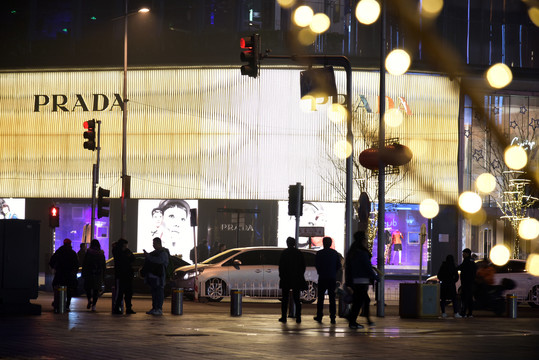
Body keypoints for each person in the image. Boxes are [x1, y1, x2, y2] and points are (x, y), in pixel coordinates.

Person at [345, 231, 377, 329]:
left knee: (362, 300)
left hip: (355, 280)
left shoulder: (353, 251)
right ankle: (352, 321)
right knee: (358, 302)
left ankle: (357, 319)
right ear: (363, 240)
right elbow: (367, 267)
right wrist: (375, 277)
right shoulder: (362, 253)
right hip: (362, 281)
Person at [313, 236, 341, 324]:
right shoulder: (334, 253)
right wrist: (334, 272)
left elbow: (317, 264)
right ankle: (333, 317)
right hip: (332, 278)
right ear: (330, 244)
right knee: (332, 299)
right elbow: (338, 266)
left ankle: (319, 316)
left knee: (320, 298)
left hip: (322, 277)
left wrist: (320, 271)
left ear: (323, 243)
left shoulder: (319, 253)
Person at [278, 237, 306, 323]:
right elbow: (303, 266)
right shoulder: (299, 253)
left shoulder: (284, 253)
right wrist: (300, 275)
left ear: (287, 243)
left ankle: (284, 317)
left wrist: (282, 276)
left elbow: (281, 266)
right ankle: (298, 317)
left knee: (285, 299)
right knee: (297, 299)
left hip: (286, 278)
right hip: (296, 278)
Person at [49, 238, 79, 312]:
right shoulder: (72, 253)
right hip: (69, 274)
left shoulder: (59, 252)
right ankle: (67, 304)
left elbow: (52, 261)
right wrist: (74, 272)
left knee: (56, 286)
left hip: (60, 273)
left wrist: (55, 268)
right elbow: (76, 264)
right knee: (69, 290)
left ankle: (57, 301)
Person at [144, 237, 170, 315]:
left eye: (154, 243)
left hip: (159, 277)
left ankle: (159, 308)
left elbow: (159, 261)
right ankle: (155, 308)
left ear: (158, 243)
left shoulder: (163, 253)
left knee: (159, 292)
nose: (153, 245)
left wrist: (148, 256)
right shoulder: (156, 252)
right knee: (154, 293)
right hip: (153, 276)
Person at [112, 238, 136, 315]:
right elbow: (123, 259)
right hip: (120, 275)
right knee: (120, 293)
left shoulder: (126, 251)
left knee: (128, 292)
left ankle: (128, 308)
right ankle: (117, 308)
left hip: (127, 275)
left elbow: (132, 258)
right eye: (125, 245)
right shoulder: (117, 251)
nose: (126, 247)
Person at [81, 239, 106, 312]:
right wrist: (103, 276)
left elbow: (84, 264)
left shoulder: (88, 253)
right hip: (98, 275)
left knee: (88, 288)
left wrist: (84, 273)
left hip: (89, 274)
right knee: (96, 290)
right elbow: (103, 266)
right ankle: (94, 306)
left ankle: (89, 300)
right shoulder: (101, 254)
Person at [457, 248, 477, 318]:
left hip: (466, 283)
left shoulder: (466, 261)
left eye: (464, 253)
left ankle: (464, 313)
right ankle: (470, 313)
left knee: (464, 298)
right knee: (469, 298)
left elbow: (460, 267)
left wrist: (455, 268)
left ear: (467, 254)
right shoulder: (472, 261)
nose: (463, 254)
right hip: (471, 282)